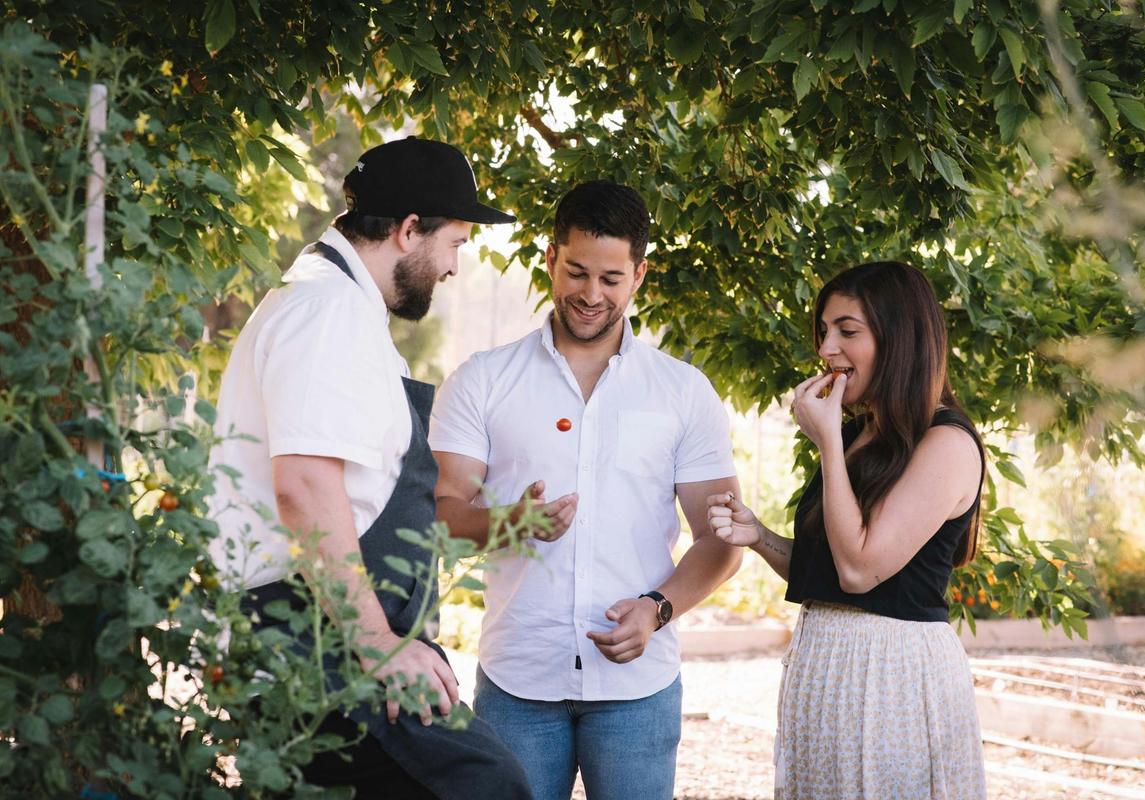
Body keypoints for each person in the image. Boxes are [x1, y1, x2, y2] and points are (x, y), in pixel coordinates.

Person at [206, 137, 532, 799]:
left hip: (333, 637)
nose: (454, 267)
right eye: (456, 244)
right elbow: (304, 485)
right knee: (486, 783)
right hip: (313, 642)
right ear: (409, 230)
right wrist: (377, 641)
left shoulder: (338, 304)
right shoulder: (325, 310)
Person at [428, 180, 743, 800]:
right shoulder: (482, 380)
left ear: (639, 275)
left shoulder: (683, 392)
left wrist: (658, 608)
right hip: (518, 681)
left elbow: (722, 538)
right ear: (551, 258)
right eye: (576, 272)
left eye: (610, 278)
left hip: (638, 691)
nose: (591, 294)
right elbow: (441, 515)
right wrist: (509, 522)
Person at [707, 261, 987, 800]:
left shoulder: (946, 444)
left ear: (899, 339)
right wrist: (759, 536)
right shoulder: (863, 434)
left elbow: (861, 570)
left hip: (891, 680)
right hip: (828, 672)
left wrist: (828, 443)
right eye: (824, 331)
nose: (826, 348)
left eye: (847, 331)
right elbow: (833, 571)